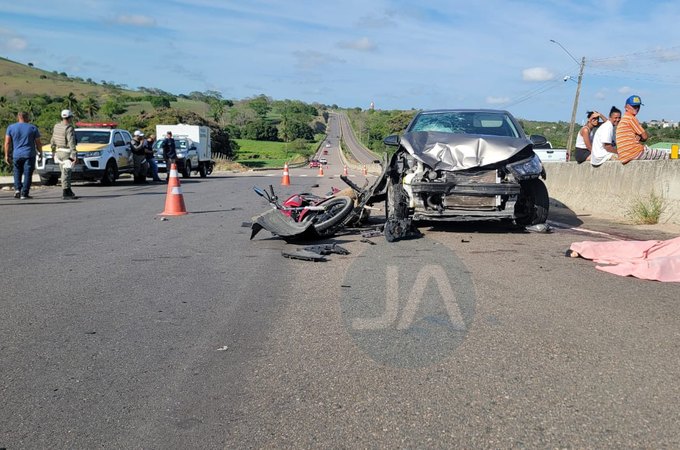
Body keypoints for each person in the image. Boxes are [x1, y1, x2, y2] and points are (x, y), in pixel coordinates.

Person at [615, 95, 669, 164]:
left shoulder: (623, 120)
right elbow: (645, 136)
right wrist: (641, 137)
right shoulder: (631, 118)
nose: (636, 108)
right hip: (634, 153)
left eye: (638, 106)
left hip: (624, 156)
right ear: (626, 107)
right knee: (664, 154)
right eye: (634, 106)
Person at [4, 111, 43, 199]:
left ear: (18, 117)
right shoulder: (33, 127)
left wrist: (6, 155)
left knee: (17, 172)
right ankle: (24, 193)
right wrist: (41, 153)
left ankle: (17, 189)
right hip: (29, 154)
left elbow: (7, 142)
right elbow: (38, 143)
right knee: (28, 174)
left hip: (16, 154)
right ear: (26, 117)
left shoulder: (11, 127)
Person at [50, 109, 79, 200]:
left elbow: (53, 140)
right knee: (66, 173)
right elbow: (71, 142)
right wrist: (74, 155)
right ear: (70, 117)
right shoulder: (69, 128)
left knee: (64, 172)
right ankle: (66, 192)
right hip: (66, 153)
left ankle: (69, 190)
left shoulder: (56, 126)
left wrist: (53, 151)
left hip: (59, 152)